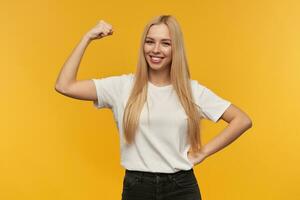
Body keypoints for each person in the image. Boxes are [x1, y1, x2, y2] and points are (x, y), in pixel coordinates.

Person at [55, 15, 252, 200]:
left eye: (165, 43)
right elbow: (65, 86)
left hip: (181, 187)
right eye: (150, 41)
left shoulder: (192, 91)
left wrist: (202, 153)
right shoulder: (122, 87)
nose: (155, 49)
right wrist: (87, 38)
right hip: (137, 188)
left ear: (176, 49)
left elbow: (242, 120)